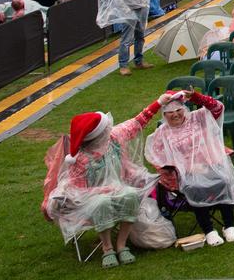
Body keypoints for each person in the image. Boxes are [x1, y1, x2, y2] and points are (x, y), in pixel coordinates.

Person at [54, 100, 163, 268]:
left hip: (117, 188)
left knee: (130, 195)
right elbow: (78, 190)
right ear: (95, 137)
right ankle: (107, 248)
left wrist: (159, 102)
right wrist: (104, 190)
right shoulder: (81, 159)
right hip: (88, 197)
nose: (108, 130)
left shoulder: (113, 139)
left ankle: (121, 244)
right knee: (102, 202)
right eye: (105, 130)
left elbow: (136, 123)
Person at [145, 90, 234, 246]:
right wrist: (183, 168)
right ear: (164, 114)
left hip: (209, 166)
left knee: (224, 179)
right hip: (185, 174)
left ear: (185, 109)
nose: (175, 115)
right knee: (194, 187)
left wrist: (197, 97)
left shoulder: (197, 118)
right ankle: (209, 229)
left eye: (179, 110)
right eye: (170, 112)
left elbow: (217, 108)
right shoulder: (162, 133)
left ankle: (229, 225)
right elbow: (156, 157)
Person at [92, 0, 155, 76]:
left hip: (142, 8)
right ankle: (123, 65)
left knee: (140, 36)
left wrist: (145, 1)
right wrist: (127, 11)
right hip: (130, 10)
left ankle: (139, 61)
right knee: (126, 39)